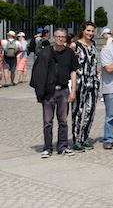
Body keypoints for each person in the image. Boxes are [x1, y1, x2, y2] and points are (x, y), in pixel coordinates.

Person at [30, 28, 79, 158]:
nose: (60, 39)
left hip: (63, 90)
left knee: (63, 120)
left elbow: (73, 72)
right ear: (53, 37)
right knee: (48, 121)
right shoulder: (46, 52)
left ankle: (63, 146)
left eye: (63, 37)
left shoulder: (69, 52)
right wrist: (39, 92)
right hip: (49, 91)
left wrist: (73, 90)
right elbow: (38, 73)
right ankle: (47, 147)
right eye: (58, 36)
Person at [70, 21, 100, 151]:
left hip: (93, 81)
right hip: (80, 80)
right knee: (77, 110)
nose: (90, 33)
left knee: (90, 110)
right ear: (82, 31)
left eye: (92, 31)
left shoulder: (94, 44)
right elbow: (71, 65)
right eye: (88, 30)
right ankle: (76, 139)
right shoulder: (74, 45)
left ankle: (84, 137)